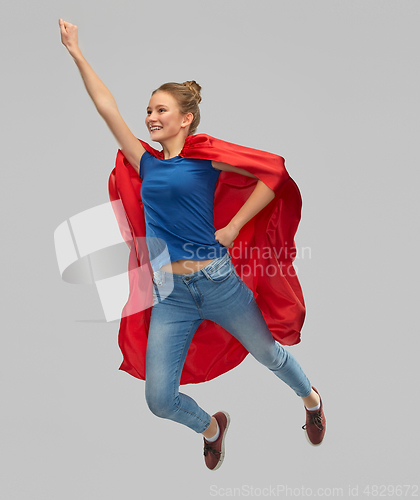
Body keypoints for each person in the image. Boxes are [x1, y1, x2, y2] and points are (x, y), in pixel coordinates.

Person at [59, 18, 326, 471]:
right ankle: (212, 428)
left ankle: (312, 400)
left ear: (185, 118)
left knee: (269, 355)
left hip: (218, 283)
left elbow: (274, 174)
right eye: (148, 110)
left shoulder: (206, 162)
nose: (150, 117)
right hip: (171, 295)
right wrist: (77, 53)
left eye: (161, 110)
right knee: (159, 399)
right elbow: (107, 110)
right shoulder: (145, 163)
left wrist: (236, 225)